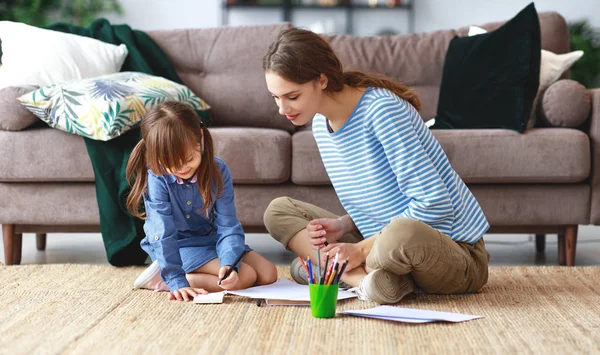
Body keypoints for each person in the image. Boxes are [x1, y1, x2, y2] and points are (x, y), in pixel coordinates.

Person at [262, 28, 491, 304]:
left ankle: (330, 270)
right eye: (276, 98)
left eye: (292, 96)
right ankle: (365, 281)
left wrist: (358, 249)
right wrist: (343, 223)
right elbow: (380, 198)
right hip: (379, 239)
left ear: (321, 80)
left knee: (401, 233)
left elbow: (434, 205)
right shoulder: (321, 124)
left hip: (453, 251)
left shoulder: (381, 111)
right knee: (279, 211)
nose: (282, 109)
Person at [127, 101, 277, 301]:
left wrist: (228, 262)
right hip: (178, 247)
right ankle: (165, 279)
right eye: (170, 163)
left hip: (211, 240)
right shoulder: (157, 179)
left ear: (200, 141)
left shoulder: (218, 170)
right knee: (246, 276)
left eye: (189, 158)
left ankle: (193, 275)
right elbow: (163, 234)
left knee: (268, 274)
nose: (181, 168)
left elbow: (228, 224)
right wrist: (176, 280)